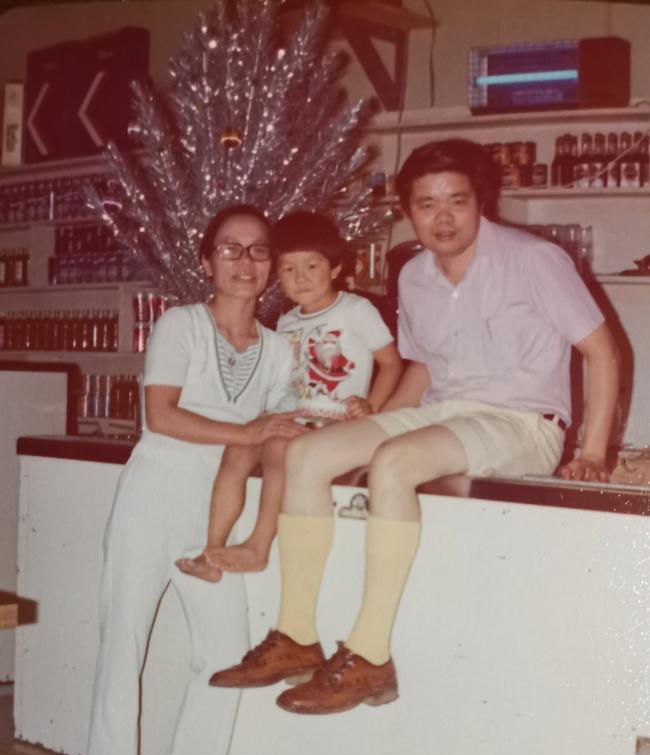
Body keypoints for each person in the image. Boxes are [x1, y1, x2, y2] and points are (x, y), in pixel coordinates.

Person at [208, 139, 620, 714]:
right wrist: (374, 419)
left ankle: (371, 655)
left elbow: (601, 350)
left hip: (524, 422)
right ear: (408, 210)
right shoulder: (416, 276)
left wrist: (594, 451)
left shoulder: (533, 259)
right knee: (306, 454)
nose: (443, 217)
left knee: (394, 462)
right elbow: (423, 369)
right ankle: (296, 636)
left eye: (457, 201)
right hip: (444, 412)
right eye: (427, 204)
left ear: (482, 202)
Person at [84, 204, 304, 755]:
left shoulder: (281, 351)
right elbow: (163, 416)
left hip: (215, 503)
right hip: (153, 487)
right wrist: (249, 429)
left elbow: (273, 441)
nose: (244, 261)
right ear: (207, 262)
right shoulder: (181, 325)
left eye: (258, 250)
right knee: (123, 636)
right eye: (230, 249)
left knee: (227, 651)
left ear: (271, 265)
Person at [175, 211, 401, 581]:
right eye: (289, 270)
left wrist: (371, 404)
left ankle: (258, 547)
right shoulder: (285, 322)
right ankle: (211, 549)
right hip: (291, 414)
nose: (301, 278)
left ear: (335, 268)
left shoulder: (356, 310)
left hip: (333, 420)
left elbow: (391, 364)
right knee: (236, 451)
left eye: (312, 266)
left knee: (281, 451)